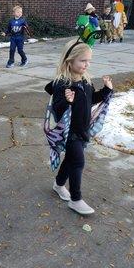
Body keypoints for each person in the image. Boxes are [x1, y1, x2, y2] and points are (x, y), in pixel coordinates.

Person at [45, 39, 113, 215]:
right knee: (78, 162)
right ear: (70, 61)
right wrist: (67, 101)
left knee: (71, 160)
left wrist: (106, 91)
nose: (87, 64)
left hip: (82, 129)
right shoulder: (62, 84)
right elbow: (57, 109)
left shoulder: (85, 81)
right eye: (83, 61)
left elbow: (92, 100)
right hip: (69, 133)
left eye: (89, 61)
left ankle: (59, 185)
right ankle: (76, 199)